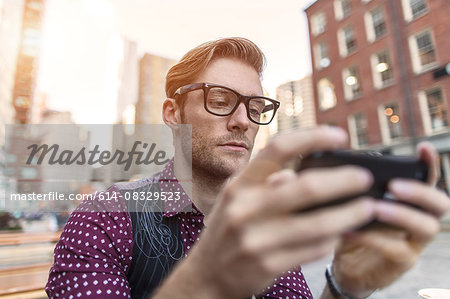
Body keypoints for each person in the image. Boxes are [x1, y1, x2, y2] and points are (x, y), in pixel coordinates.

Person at [46, 37, 449, 299]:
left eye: (256, 107)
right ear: (172, 112)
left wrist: (343, 287)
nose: (243, 121)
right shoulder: (105, 218)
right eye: (220, 99)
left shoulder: (265, 222)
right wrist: (208, 282)